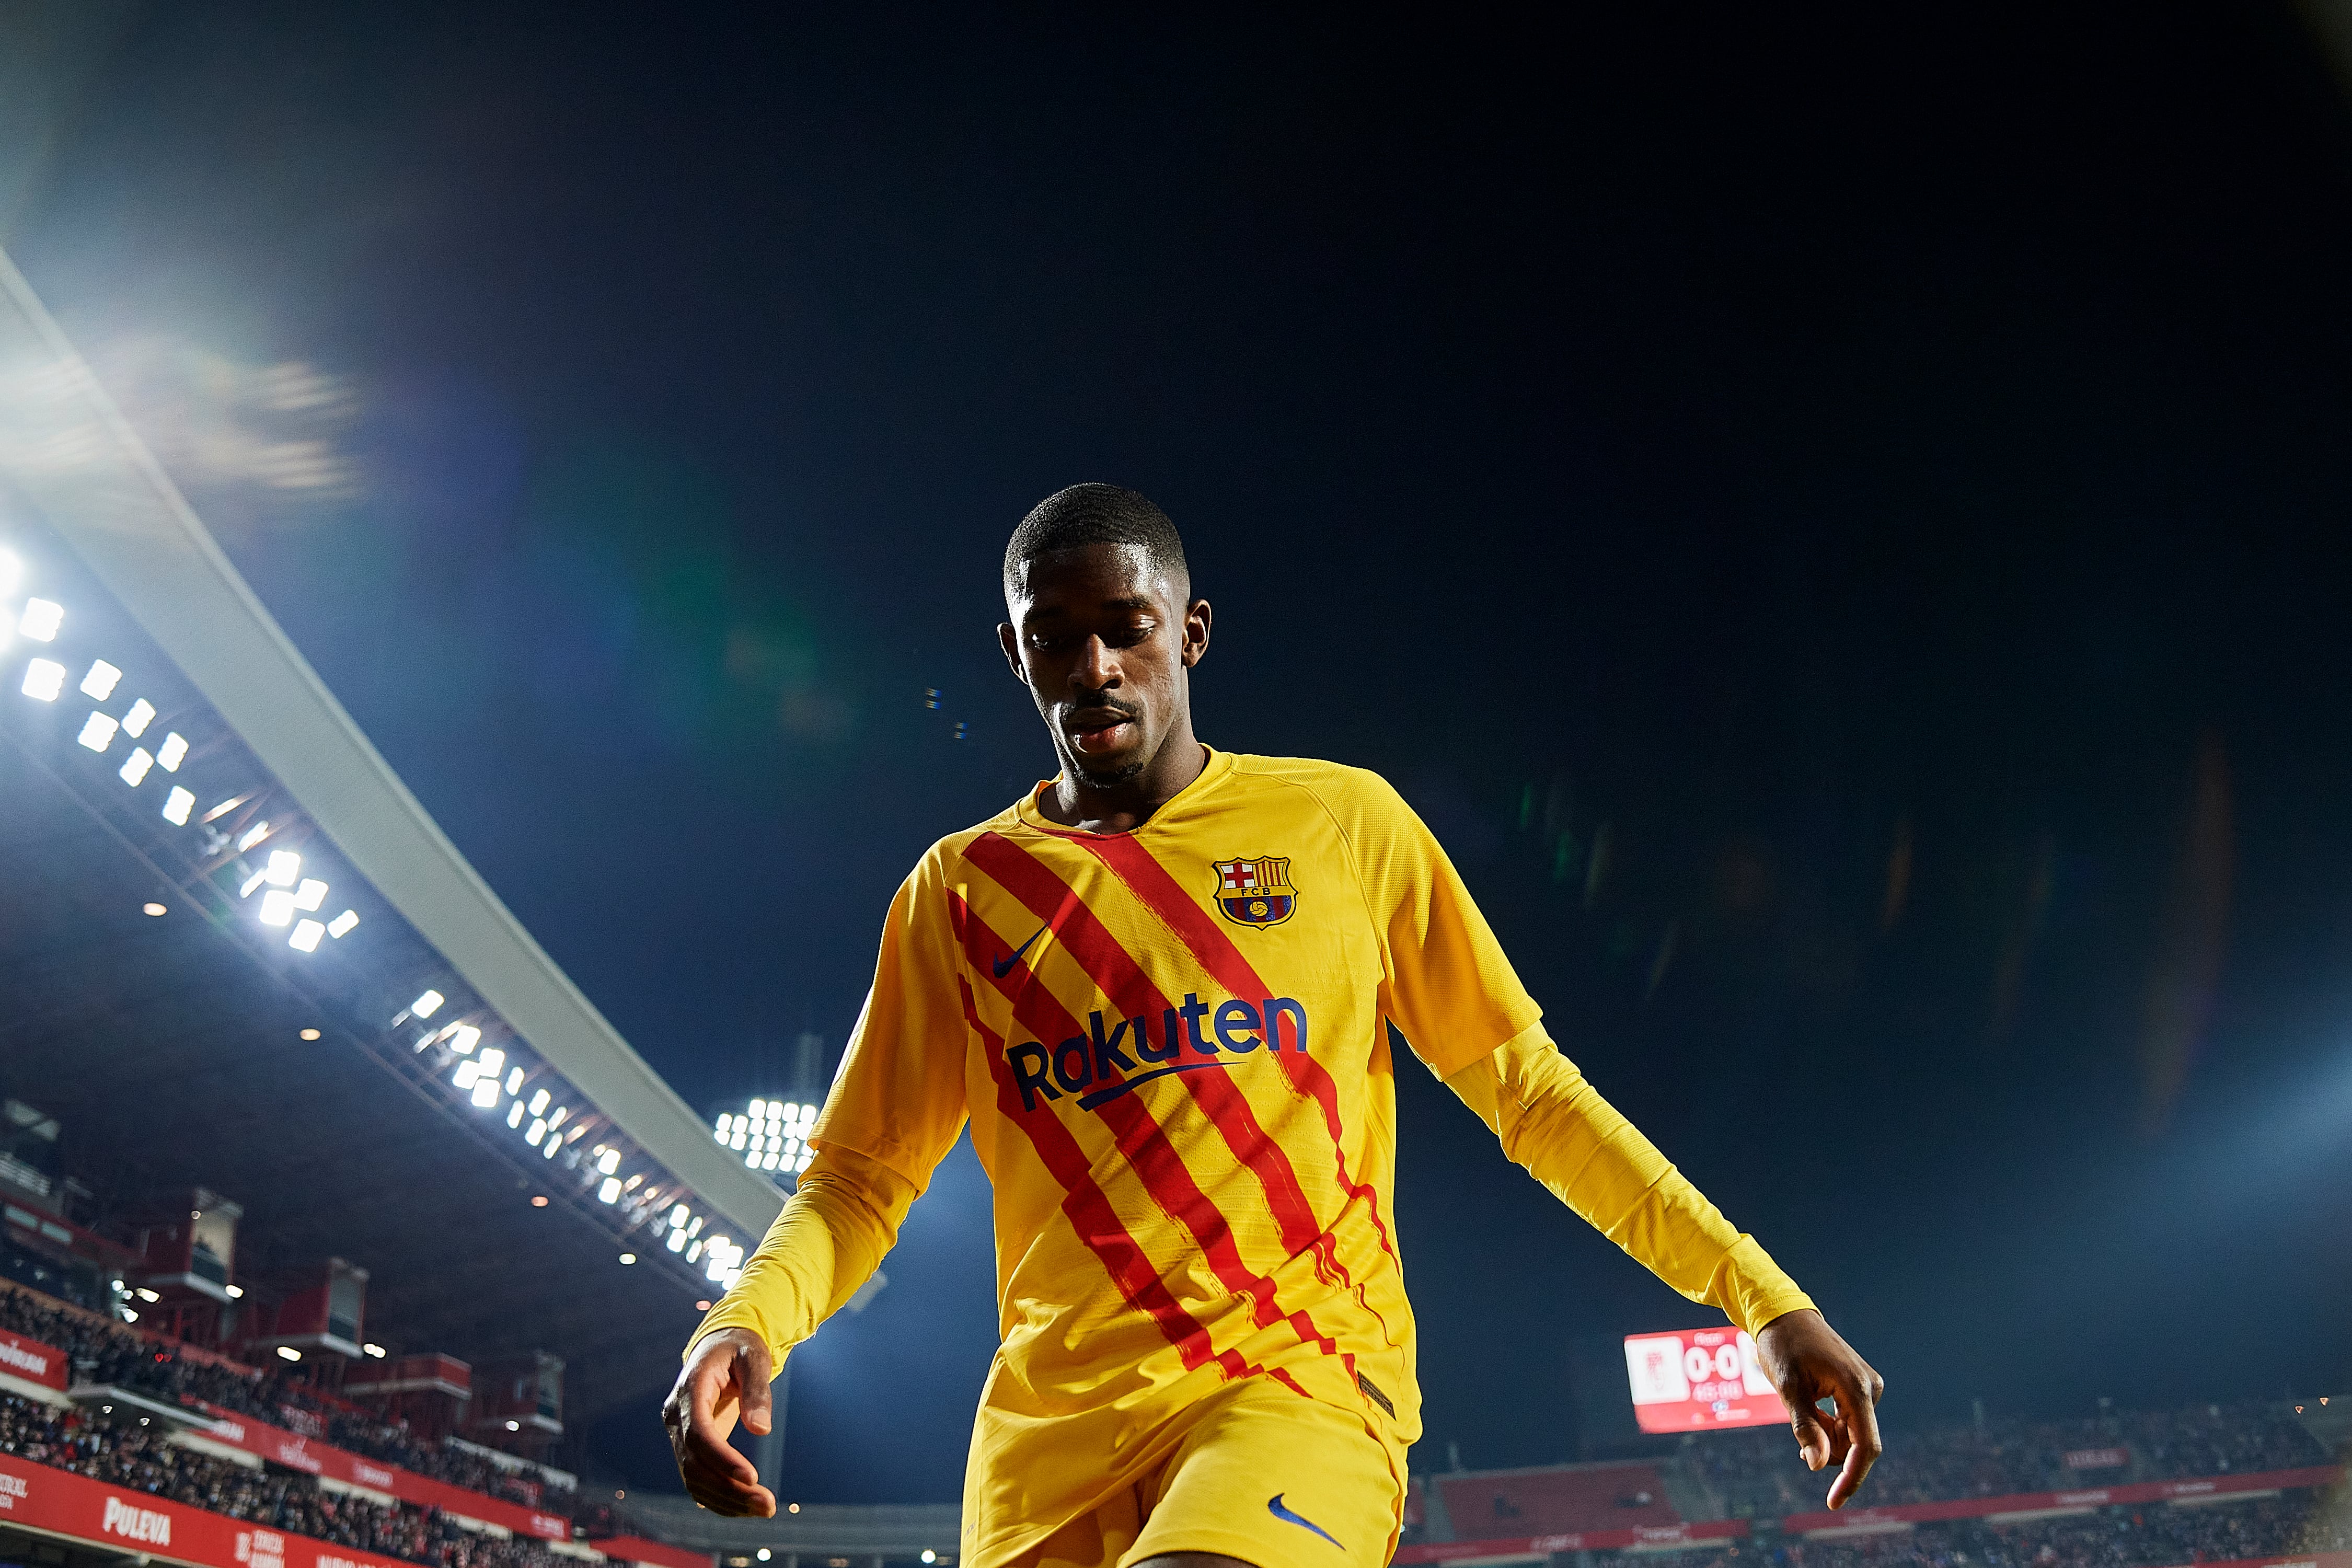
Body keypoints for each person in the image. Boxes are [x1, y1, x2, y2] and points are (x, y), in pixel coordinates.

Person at [663, 484, 1885, 1568]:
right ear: (1014, 656)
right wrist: (745, 1319)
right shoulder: (960, 894)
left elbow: (1530, 1092)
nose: (1095, 667)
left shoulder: (1343, 827)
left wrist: (1759, 1297)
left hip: (1295, 1383)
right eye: (1056, 640)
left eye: (1127, 630)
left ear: (1189, 633)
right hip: (1047, 1454)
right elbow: (862, 1181)